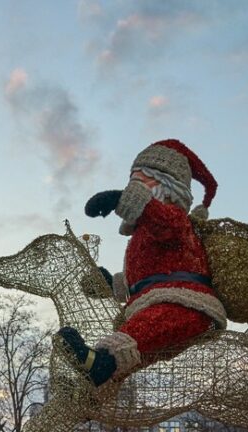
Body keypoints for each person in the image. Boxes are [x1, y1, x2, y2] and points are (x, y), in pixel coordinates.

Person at [57, 139, 226, 386]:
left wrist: (120, 200)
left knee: (148, 325)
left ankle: (100, 364)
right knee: (133, 351)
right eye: (132, 178)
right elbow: (140, 279)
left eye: (144, 178)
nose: (135, 184)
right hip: (149, 302)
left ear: (169, 187)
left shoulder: (176, 220)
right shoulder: (140, 235)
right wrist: (110, 283)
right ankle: (93, 392)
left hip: (186, 304)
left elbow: (166, 225)